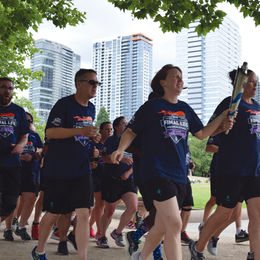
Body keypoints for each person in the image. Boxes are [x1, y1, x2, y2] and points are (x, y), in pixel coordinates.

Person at [111, 64, 233, 260]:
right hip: (156, 173)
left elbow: (201, 134)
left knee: (161, 223)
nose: (180, 80)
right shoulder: (152, 107)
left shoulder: (185, 108)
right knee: (175, 225)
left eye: (181, 77)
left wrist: (221, 121)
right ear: (163, 82)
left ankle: (141, 257)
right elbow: (131, 131)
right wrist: (120, 149)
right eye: (175, 77)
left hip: (179, 175)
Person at [189, 69, 259, 260]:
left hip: (255, 170)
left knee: (257, 216)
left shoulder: (258, 107)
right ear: (242, 84)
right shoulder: (229, 104)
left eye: (256, 81)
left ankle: (254, 254)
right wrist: (223, 126)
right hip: (232, 169)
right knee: (224, 214)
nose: (256, 85)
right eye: (252, 81)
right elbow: (209, 132)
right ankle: (199, 247)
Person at [31, 69, 100, 260]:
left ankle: (82, 257)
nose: (95, 86)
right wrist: (81, 132)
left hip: (82, 169)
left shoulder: (91, 108)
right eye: (91, 82)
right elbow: (51, 132)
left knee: (84, 213)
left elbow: (84, 135)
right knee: (53, 213)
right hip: (58, 169)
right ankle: (39, 251)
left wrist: (93, 140)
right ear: (78, 83)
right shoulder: (64, 105)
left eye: (97, 83)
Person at [199, 135, 249, 256]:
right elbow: (209, 146)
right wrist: (230, 149)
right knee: (216, 202)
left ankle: (235, 233)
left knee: (243, 211)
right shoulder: (224, 124)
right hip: (223, 171)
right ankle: (204, 226)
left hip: (246, 171)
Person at [97, 116, 138, 248]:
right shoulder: (111, 140)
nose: (125, 125)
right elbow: (105, 158)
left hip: (129, 180)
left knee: (133, 207)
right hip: (112, 179)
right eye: (123, 123)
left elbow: (138, 160)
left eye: (126, 123)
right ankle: (102, 236)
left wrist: (129, 172)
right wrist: (120, 160)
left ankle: (118, 232)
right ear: (116, 127)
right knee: (109, 211)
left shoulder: (133, 140)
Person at [0, 77, 30, 226]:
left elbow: (25, 135)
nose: (7, 91)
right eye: (3, 87)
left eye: (10, 88)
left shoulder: (18, 111)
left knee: (11, 202)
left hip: (12, 163)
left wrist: (20, 146)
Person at [14, 112, 43, 241]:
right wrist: (21, 156)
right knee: (12, 202)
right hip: (13, 171)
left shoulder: (34, 135)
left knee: (31, 198)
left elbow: (42, 148)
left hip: (31, 172)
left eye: (29, 121)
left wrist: (38, 153)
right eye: (25, 121)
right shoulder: (12, 135)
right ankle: (9, 227)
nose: (27, 123)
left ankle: (21, 226)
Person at [89, 121, 113, 239]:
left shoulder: (112, 144)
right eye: (107, 129)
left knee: (102, 205)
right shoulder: (95, 144)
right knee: (100, 204)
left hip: (108, 176)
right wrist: (93, 160)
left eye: (111, 129)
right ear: (101, 131)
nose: (109, 132)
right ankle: (99, 231)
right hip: (96, 177)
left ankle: (89, 226)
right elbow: (90, 161)